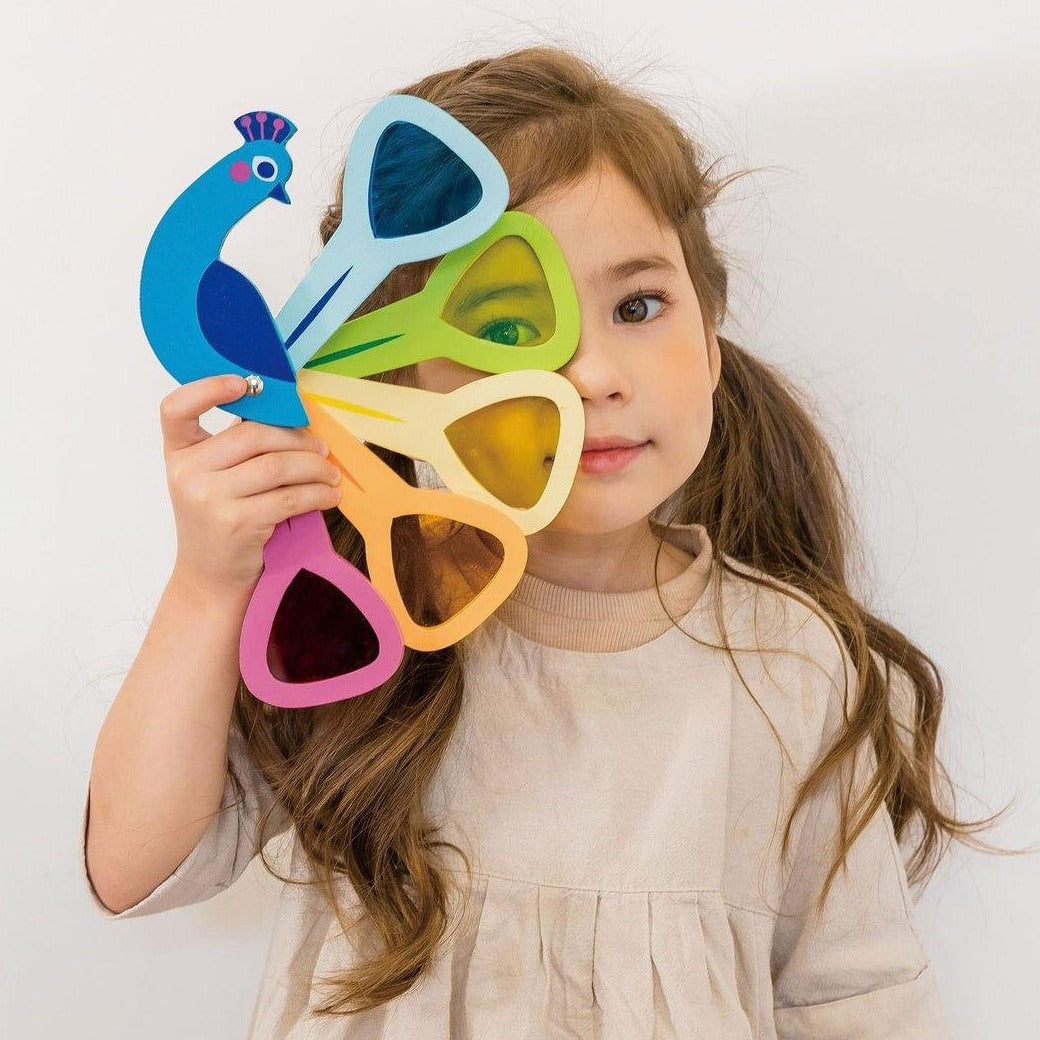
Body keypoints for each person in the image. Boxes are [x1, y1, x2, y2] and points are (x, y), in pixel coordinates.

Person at [81, 44, 993, 1039]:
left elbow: (856, 994)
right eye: (510, 330)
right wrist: (209, 584)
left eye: (637, 305)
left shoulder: (792, 660)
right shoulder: (350, 611)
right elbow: (136, 865)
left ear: (712, 319)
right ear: (396, 380)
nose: (593, 372)